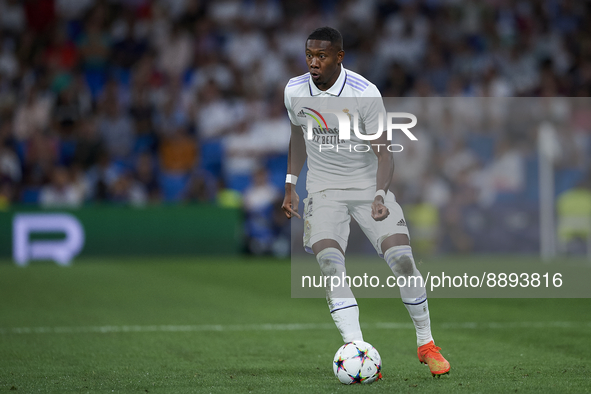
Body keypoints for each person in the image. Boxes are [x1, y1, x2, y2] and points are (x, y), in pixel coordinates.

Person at [282, 27, 450, 377]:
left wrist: (378, 194)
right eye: (309, 55)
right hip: (324, 191)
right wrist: (290, 184)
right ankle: (357, 350)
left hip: (366, 187)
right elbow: (298, 134)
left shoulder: (364, 92)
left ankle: (426, 344)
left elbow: (385, 152)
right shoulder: (294, 90)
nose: (314, 62)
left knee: (403, 260)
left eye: (322, 56)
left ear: (339, 57)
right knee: (330, 263)